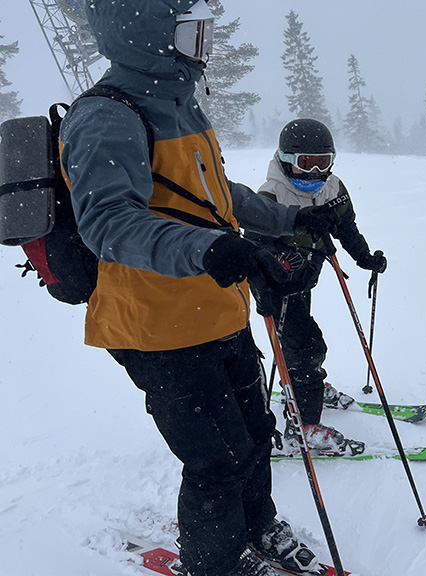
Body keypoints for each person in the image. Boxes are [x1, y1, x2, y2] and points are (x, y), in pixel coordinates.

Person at [60, 2, 348, 575]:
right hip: (155, 327)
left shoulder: (179, 103)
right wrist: (208, 248)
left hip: (217, 310)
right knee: (217, 458)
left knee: (256, 432)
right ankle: (215, 563)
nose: (204, 47)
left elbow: (215, 193)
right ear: (147, 33)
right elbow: (107, 222)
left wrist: (286, 218)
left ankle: (257, 526)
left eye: (207, 32)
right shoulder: (105, 115)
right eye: (192, 33)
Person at [249, 118, 387, 456]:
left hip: (306, 276)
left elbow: (346, 227)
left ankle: (305, 385)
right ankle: (303, 426)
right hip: (276, 285)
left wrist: (364, 257)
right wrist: (264, 283)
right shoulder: (271, 194)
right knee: (306, 348)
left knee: (300, 348)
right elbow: (252, 248)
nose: (314, 173)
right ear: (285, 159)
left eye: (322, 163)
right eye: (305, 164)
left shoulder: (332, 187)